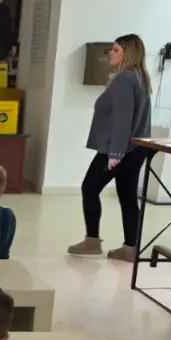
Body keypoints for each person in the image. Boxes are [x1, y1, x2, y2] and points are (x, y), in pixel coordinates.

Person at [67, 33, 153, 262]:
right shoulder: (140, 77)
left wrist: (115, 153)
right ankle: (130, 248)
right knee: (127, 196)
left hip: (118, 149)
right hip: (136, 148)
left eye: (115, 50)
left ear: (128, 53)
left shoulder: (124, 79)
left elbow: (122, 119)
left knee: (89, 188)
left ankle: (92, 241)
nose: (110, 54)